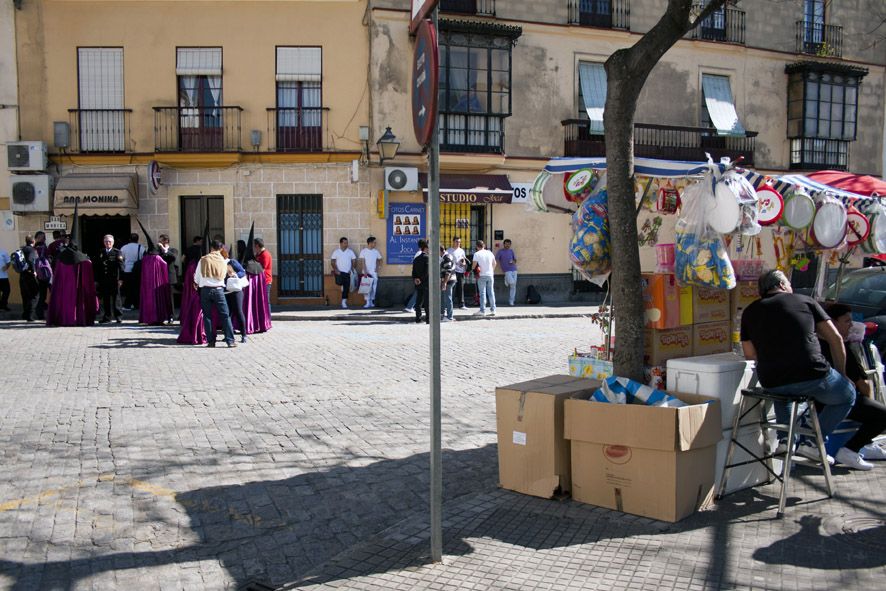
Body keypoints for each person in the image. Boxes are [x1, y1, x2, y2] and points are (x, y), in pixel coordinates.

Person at [740, 270, 855, 460]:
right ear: (783, 285)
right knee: (847, 394)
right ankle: (812, 441)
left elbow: (750, 354)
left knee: (783, 393)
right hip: (811, 371)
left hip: (771, 378)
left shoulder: (750, 311)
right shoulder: (805, 301)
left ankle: (786, 441)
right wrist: (842, 375)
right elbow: (835, 338)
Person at [818, 303, 886, 469]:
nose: (851, 325)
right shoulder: (840, 346)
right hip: (835, 399)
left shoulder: (815, 344)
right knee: (882, 414)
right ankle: (851, 449)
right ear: (832, 323)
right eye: (847, 321)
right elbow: (862, 384)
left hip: (822, 397)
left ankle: (865, 444)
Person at [194, 239, 236, 348]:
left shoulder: (203, 260)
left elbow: (197, 277)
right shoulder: (223, 260)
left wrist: (199, 282)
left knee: (207, 316)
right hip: (219, 290)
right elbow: (229, 274)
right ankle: (230, 341)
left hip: (205, 290)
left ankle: (211, 341)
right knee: (225, 316)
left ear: (211, 248)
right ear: (221, 248)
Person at [137, 222, 174, 326]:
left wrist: (165, 250)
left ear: (166, 241)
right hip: (157, 281)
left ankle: (170, 317)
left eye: (161, 240)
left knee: (169, 300)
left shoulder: (171, 250)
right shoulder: (156, 255)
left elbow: (172, 258)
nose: (160, 242)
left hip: (169, 279)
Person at [95, 234, 124, 324]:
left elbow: (121, 266)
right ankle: (107, 317)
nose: (108, 243)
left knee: (116, 299)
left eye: (110, 242)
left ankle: (118, 317)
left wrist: (121, 279)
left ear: (113, 242)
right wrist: (96, 280)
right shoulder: (101, 252)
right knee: (106, 299)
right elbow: (97, 267)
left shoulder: (117, 252)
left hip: (114, 279)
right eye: (106, 242)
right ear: (104, 242)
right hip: (104, 279)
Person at [225, 256, 248, 343]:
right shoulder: (218, 263)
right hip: (225, 292)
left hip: (236, 291)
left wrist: (235, 275)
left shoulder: (232, 262)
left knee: (238, 312)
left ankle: (244, 334)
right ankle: (229, 335)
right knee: (227, 314)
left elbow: (242, 272)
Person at [471, 240, 496, 316]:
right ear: (484, 245)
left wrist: (472, 269)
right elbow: (494, 263)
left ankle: (482, 310)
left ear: (477, 247)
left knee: (482, 293)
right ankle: (493, 310)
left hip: (481, 275)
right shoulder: (489, 252)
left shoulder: (476, 254)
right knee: (491, 292)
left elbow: (474, 265)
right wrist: (491, 271)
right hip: (490, 275)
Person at [120, 233, 144, 310]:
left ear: (129, 239)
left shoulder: (124, 247)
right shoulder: (141, 247)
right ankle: (137, 304)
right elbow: (144, 258)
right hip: (137, 270)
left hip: (127, 270)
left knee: (128, 289)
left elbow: (121, 258)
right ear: (137, 239)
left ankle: (128, 304)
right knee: (137, 288)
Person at [331, 237, 356, 309]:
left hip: (347, 273)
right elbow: (332, 261)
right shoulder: (336, 252)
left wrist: (351, 269)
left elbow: (354, 261)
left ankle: (344, 302)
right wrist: (336, 270)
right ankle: (343, 297)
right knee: (339, 284)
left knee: (346, 288)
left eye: (347, 243)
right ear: (341, 243)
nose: (346, 244)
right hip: (339, 272)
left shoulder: (350, 252)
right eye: (345, 243)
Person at [17, 236, 38, 322]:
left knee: (25, 296)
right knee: (35, 295)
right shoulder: (31, 250)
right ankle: (30, 316)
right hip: (30, 275)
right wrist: (34, 271)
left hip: (22, 275)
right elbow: (30, 260)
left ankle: (25, 314)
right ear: (33, 241)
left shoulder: (22, 249)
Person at [358, 236, 382, 309]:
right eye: (374, 242)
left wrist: (378, 268)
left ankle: (371, 301)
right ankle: (367, 302)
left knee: (374, 288)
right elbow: (362, 262)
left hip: (374, 273)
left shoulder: (376, 251)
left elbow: (380, 260)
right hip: (366, 273)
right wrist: (365, 271)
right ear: (370, 243)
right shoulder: (364, 251)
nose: (375, 244)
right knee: (366, 287)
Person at [411, 239, 429, 324]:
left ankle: (418, 318)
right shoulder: (428, 258)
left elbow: (413, 271)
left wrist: (416, 279)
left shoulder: (416, 258)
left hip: (418, 283)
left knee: (418, 301)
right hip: (426, 283)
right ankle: (428, 319)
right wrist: (421, 279)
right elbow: (427, 272)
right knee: (427, 302)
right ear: (426, 248)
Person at [33, 231, 50, 320]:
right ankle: (39, 312)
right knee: (42, 294)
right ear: (39, 237)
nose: (44, 239)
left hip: (35, 273)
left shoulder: (34, 247)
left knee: (39, 294)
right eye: (43, 237)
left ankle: (38, 311)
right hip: (43, 273)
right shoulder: (43, 247)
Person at [447, 237, 468, 310]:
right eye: (456, 242)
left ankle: (461, 304)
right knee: (452, 288)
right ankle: (449, 304)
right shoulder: (449, 250)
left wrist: (464, 263)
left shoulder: (461, 250)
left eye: (459, 242)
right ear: (453, 242)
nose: (458, 243)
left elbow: (464, 259)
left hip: (460, 271)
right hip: (453, 271)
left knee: (460, 287)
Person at [496, 239, 518, 307]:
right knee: (512, 283)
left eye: (509, 244)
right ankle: (506, 278)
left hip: (514, 269)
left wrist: (513, 262)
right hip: (506, 270)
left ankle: (511, 301)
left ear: (510, 244)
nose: (507, 245)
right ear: (504, 244)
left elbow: (515, 260)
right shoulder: (500, 251)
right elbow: (496, 259)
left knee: (513, 286)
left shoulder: (511, 251)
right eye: (506, 244)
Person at [253, 237, 273, 311]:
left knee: (266, 301)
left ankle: (268, 318)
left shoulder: (265, 254)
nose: (253, 248)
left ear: (257, 246)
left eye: (254, 246)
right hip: (259, 281)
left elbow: (262, 268)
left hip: (266, 281)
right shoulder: (258, 254)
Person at [440, 245, 456, 322]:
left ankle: (450, 317)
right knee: (444, 297)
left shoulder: (447, 257)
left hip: (449, 281)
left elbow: (448, 271)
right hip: (448, 280)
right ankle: (442, 314)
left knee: (448, 298)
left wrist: (445, 282)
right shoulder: (446, 257)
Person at [0, 246, 10, 311]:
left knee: (7, 291)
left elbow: (8, 262)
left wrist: (6, 266)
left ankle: (3, 305)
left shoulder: (3, 252)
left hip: (4, 277)